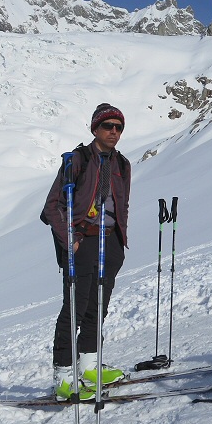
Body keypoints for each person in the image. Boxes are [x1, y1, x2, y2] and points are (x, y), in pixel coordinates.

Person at [41, 103, 132, 401]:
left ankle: (90, 366)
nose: (114, 132)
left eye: (118, 127)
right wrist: (71, 240)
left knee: (98, 306)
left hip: (110, 243)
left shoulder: (122, 164)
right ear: (95, 128)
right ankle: (64, 375)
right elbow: (52, 207)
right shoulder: (77, 160)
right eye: (108, 126)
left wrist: (119, 238)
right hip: (81, 243)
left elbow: (122, 204)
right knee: (75, 309)